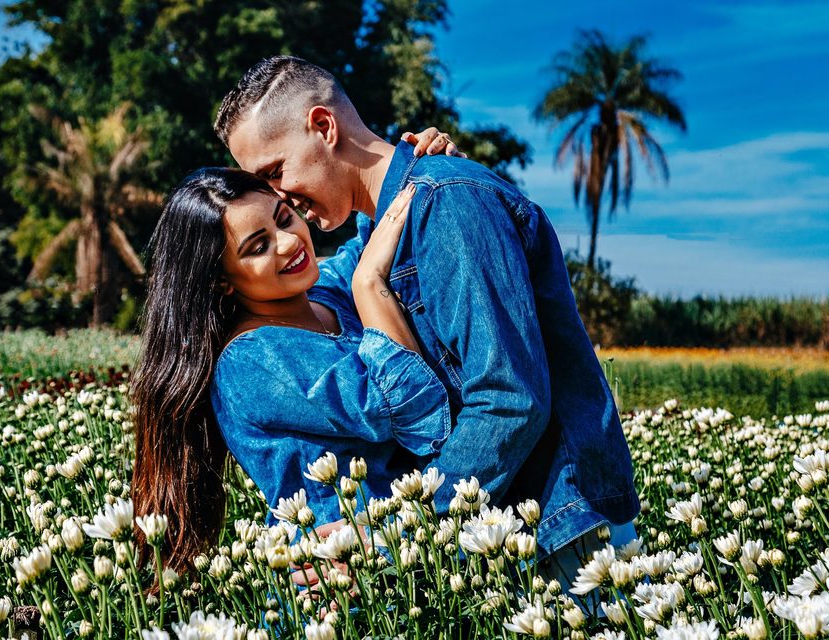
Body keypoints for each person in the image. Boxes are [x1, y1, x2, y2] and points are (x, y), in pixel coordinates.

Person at [214, 56, 641, 596]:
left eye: (274, 173)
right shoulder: (391, 223)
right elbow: (332, 278)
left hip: (555, 530)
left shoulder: (445, 201)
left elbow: (509, 399)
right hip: (499, 535)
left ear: (323, 126)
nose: (278, 198)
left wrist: (397, 533)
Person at [129, 130, 460, 579]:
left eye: (284, 218)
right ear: (222, 281)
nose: (287, 242)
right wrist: (370, 286)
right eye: (258, 247)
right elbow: (414, 411)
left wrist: (421, 163)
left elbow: (382, 228)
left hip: (411, 555)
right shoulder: (250, 361)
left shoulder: (325, 295)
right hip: (344, 585)